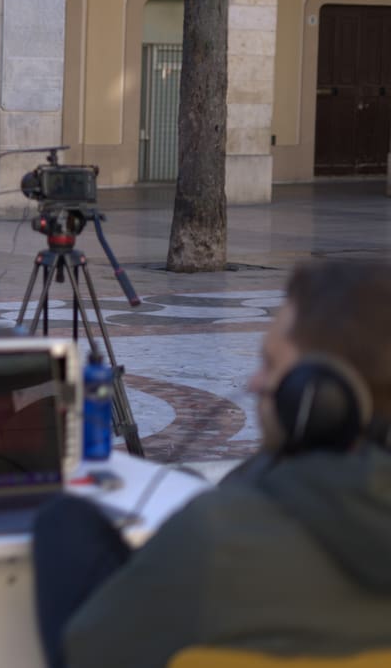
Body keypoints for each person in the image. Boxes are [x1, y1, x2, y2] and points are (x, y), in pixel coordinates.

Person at [32, 259, 391, 668]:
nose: (253, 383)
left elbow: (89, 651)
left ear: (323, 395)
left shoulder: (216, 537)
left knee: (65, 522)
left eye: (271, 365)